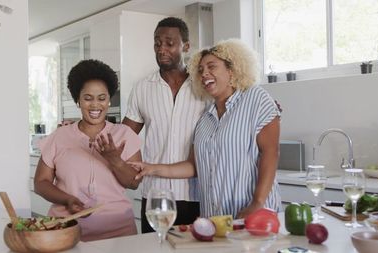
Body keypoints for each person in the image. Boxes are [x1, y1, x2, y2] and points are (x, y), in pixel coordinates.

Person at [134, 39, 281, 219]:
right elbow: (193, 167)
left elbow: (270, 152)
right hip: (215, 219)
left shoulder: (255, 98)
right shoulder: (204, 119)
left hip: (254, 216)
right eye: (201, 70)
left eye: (212, 67)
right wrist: (151, 168)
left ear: (231, 70)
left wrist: (257, 203)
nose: (204, 74)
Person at [34, 59, 142, 241]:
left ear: (109, 100)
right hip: (67, 231)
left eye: (102, 98)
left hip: (119, 234)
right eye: (87, 98)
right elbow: (41, 182)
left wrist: (114, 159)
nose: (95, 105)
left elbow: (134, 182)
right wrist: (67, 199)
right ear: (78, 100)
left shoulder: (124, 134)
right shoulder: (59, 136)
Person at [122, 17, 208, 233]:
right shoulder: (142, 89)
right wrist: (86, 131)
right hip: (155, 196)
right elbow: (124, 137)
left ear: (185, 46)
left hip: (197, 194)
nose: (161, 49)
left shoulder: (206, 87)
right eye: (157, 43)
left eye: (169, 43)